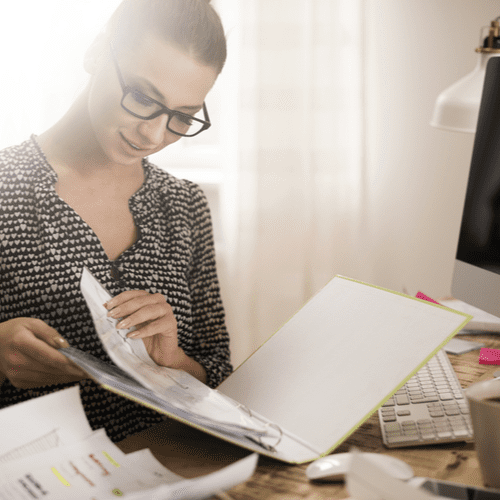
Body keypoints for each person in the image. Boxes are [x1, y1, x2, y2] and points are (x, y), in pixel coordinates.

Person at [0, 0, 232, 442]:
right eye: (143, 97)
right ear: (95, 53)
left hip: (168, 470)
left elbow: (217, 370)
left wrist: (173, 361)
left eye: (181, 117)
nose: (154, 134)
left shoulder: (184, 205)